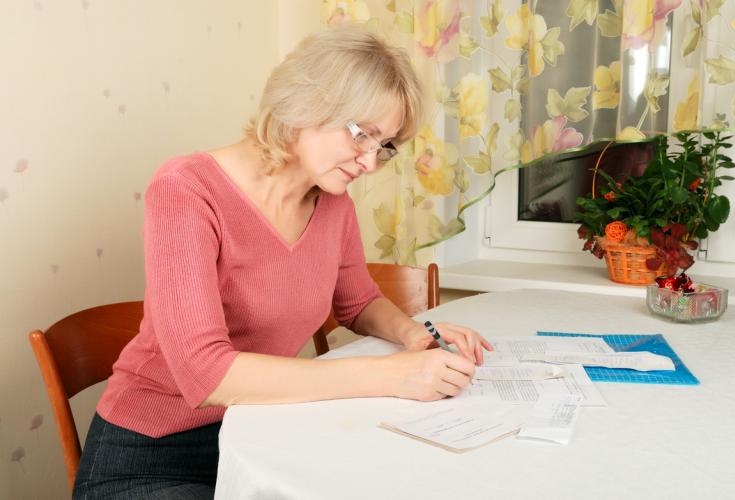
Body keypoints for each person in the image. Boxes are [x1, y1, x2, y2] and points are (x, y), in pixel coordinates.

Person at [73, 25, 491, 499]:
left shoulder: (334, 201)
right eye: (362, 135)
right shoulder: (187, 189)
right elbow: (205, 373)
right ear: (305, 104)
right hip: (153, 456)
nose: (370, 163)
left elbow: (357, 301)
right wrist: (392, 376)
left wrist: (418, 336)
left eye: (384, 146)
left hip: (265, 430)